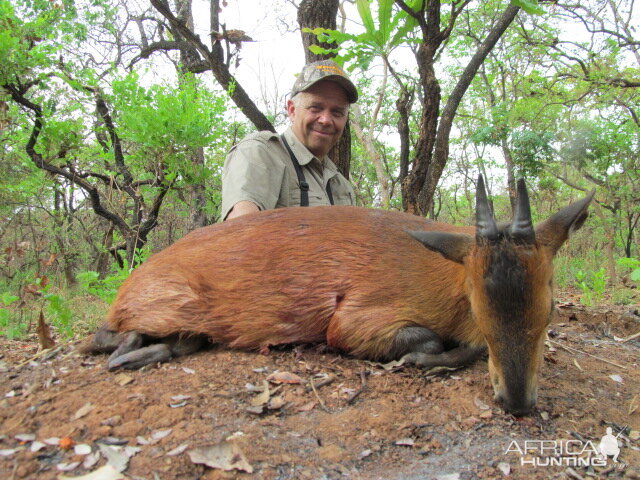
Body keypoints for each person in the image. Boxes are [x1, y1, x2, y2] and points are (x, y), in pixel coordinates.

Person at [221, 59, 358, 221]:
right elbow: (240, 233)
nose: (326, 120)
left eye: (337, 112)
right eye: (315, 108)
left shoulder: (341, 185)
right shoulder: (261, 152)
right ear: (292, 110)